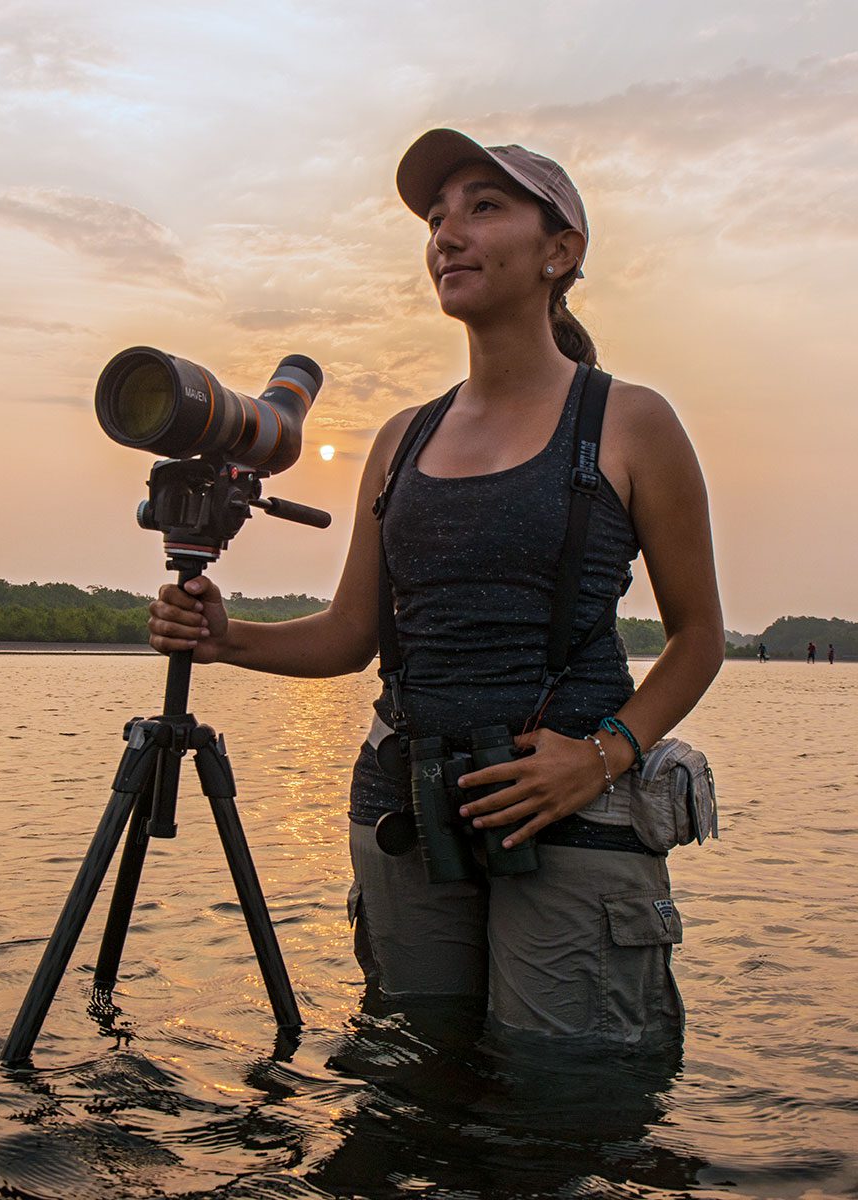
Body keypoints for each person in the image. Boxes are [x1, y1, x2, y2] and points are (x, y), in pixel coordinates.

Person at [148, 129, 724, 1045]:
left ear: (560, 252)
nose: (447, 233)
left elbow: (698, 637)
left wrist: (604, 754)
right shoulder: (399, 439)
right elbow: (351, 635)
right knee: (414, 1070)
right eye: (435, 217)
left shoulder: (630, 421)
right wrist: (226, 636)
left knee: (561, 1103)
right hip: (404, 804)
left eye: (483, 208)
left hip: (570, 808)